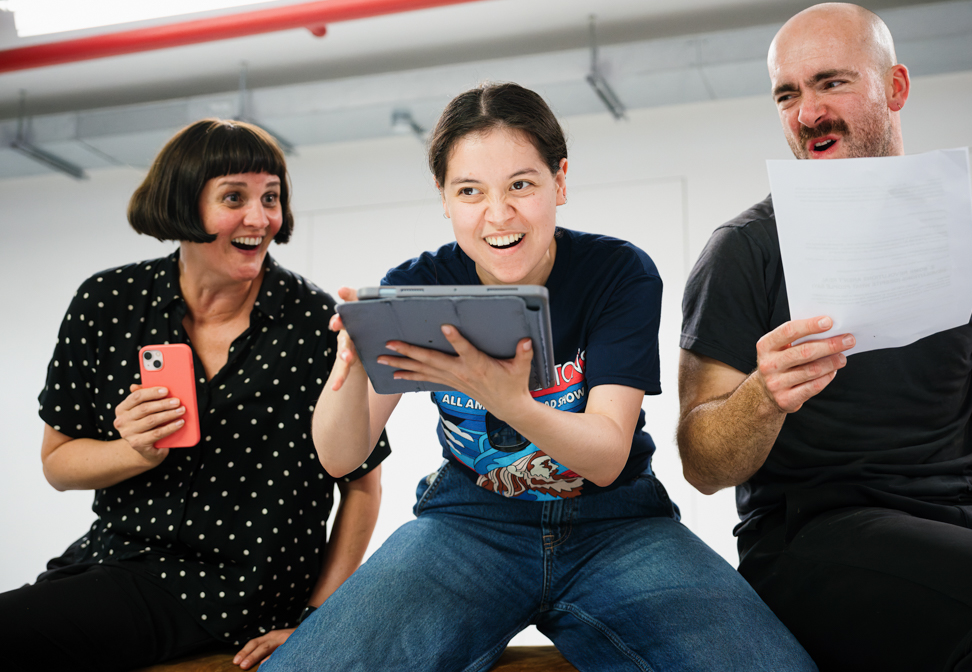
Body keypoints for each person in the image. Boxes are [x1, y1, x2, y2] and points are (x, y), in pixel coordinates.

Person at [261, 82, 816, 671]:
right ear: (444, 198)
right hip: (468, 524)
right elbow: (340, 456)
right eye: (469, 191)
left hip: (616, 525)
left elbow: (604, 455)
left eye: (521, 185)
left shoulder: (617, 273)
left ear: (560, 181)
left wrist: (509, 400)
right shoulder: (414, 287)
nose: (498, 215)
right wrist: (349, 366)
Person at [678, 2, 972, 671]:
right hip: (812, 535)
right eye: (788, 94)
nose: (807, 114)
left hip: (966, 514)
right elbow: (702, 462)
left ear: (895, 88)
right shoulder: (744, 250)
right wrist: (764, 396)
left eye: (830, 83)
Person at [0, 119, 389, 672]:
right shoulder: (108, 302)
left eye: (271, 197)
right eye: (234, 197)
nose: (260, 219)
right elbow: (59, 464)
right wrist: (134, 450)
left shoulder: (314, 323)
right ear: (183, 205)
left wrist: (318, 618)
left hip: (240, 591)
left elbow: (363, 488)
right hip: (113, 564)